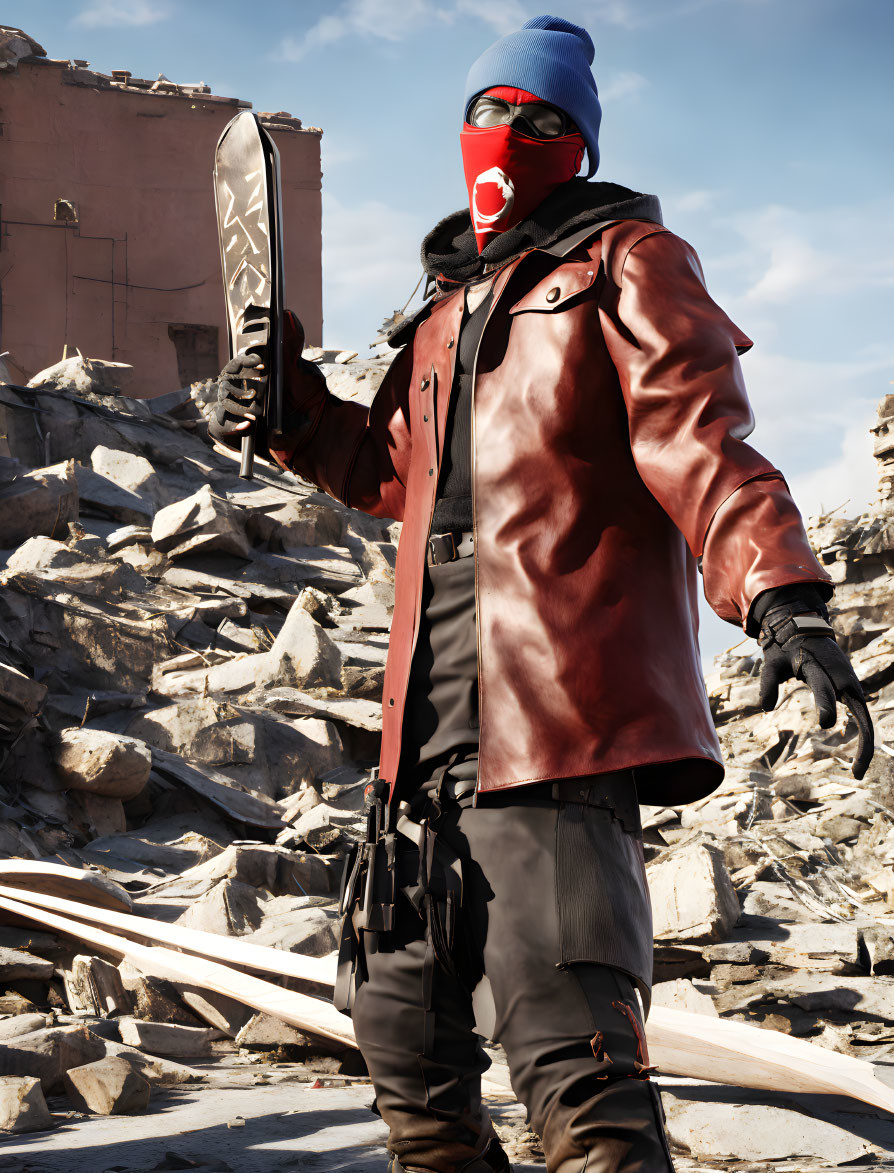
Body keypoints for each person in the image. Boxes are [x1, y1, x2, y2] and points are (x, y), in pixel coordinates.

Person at [209, 15, 873, 1172]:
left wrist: (783, 594)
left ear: (583, 142)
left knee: (584, 1088)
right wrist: (290, 408)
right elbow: (390, 473)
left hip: (554, 743)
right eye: (491, 110)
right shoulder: (441, 307)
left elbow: (699, 441)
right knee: (409, 1068)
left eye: (544, 119)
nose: (510, 134)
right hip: (418, 760)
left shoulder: (628, 263)